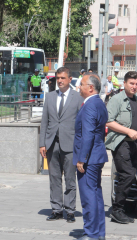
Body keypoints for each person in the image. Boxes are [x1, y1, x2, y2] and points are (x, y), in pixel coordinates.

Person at [39, 67, 84, 223]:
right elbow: (44, 121)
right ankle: (56, 209)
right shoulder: (50, 97)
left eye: (63, 78)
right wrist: (42, 143)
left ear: (70, 79)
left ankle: (70, 210)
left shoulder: (78, 98)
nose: (59, 81)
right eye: (58, 78)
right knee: (54, 178)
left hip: (70, 145)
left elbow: (81, 124)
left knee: (70, 179)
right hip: (52, 144)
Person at [71, 73, 108, 240]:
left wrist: (81, 159)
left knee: (88, 196)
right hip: (96, 155)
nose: (79, 87)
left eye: (82, 84)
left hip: (89, 158)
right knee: (95, 194)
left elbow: (88, 135)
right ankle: (99, 232)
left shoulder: (90, 105)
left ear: (91, 88)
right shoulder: (98, 103)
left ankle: (91, 233)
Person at [106, 71, 137, 224]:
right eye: (131, 83)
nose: (134, 87)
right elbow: (108, 122)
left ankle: (123, 208)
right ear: (124, 83)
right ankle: (117, 210)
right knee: (127, 174)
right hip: (120, 142)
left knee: (131, 174)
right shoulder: (116, 100)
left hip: (133, 143)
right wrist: (128, 131)